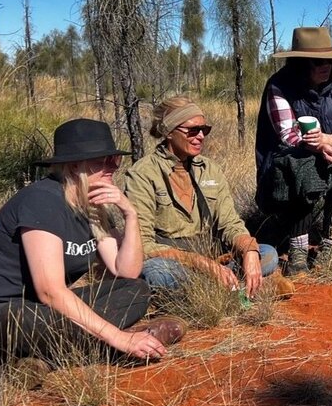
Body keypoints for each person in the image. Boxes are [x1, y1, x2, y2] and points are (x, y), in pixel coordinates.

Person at [0, 119, 184, 364]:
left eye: (115, 160)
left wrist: (130, 215)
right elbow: (50, 291)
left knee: (135, 291)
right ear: (75, 165)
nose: (112, 167)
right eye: (102, 161)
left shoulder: (93, 205)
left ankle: (42, 357)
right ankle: (111, 347)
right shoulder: (43, 201)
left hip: (37, 307)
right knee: (25, 319)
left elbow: (126, 271)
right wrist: (118, 337)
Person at [124, 96, 293, 300]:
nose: (201, 136)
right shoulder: (143, 174)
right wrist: (201, 264)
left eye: (204, 130)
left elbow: (230, 223)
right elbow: (144, 246)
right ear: (169, 133)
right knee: (157, 273)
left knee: (267, 254)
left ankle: (218, 288)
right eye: (193, 131)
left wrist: (248, 250)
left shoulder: (210, 169)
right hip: (174, 259)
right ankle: (244, 288)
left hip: (214, 256)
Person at [255, 26, 332, 275]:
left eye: (330, 60)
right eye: (317, 61)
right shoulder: (279, 86)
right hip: (288, 158)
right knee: (302, 166)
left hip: (327, 147)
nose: (325, 66)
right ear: (300, 63)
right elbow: (288, 136)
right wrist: (318, 148)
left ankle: (330, 242)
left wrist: (327, 144)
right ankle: (298, 247)